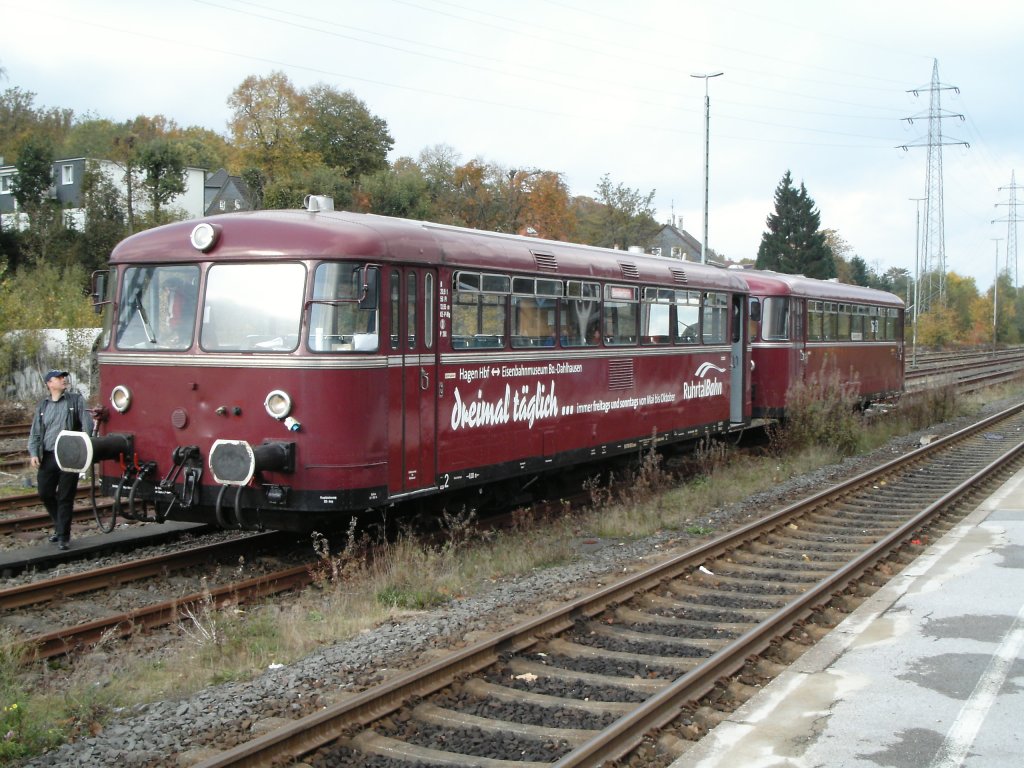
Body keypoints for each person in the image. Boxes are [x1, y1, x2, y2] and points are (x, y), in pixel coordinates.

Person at [27, 370, 94, 550]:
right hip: (48, 455)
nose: (64, 380)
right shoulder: (43, 406)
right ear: (50, 383)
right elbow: (35, 431)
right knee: (45, 492)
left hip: (70, 455)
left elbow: (88, 425)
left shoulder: (76, 400)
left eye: (64, 377)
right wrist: (34, 453)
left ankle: (63, 536)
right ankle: (59, 526)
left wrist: (87, 448)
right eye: (59, 378)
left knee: (65, 496)